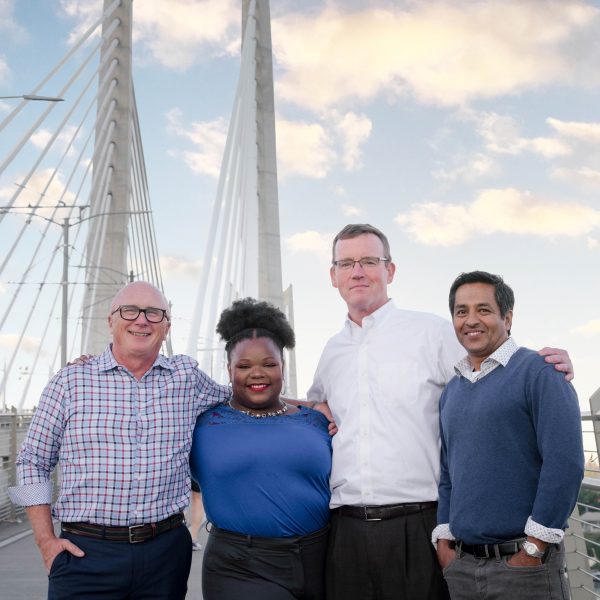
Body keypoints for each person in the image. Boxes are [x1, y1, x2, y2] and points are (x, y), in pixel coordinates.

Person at [307, 224, 575, 600]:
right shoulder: (330, 352)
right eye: (346, 263)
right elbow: (316, 403)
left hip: (419, 526)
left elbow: (493, 363)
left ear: (390, 270)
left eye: (369, 261)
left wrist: (549, 364)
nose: (358, 271)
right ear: (333, 275)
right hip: (346, 529)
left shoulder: (432, 333)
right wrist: (319, 407)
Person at [8, 281, 230, 599]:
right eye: (130, 311)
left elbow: (247, 396)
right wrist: (46, 541)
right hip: (84, 556)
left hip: (165, 555)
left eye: (154, 313)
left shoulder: (187, 379)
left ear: (166, 326)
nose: (141, 320)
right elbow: (33, 460)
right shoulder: (71, 382)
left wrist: (317, 408)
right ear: (111, 321)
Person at [433, 271, 583, 599]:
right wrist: (443, 539)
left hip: (525, 569)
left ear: (507, 317)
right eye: (462, 311)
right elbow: (448, 473)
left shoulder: (540, 372)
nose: (471, 320)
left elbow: (565, 464)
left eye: (483, 310)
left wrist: (533, 549)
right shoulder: (452, 390)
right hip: (462, 570)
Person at [190, 297, 332, 600]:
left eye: (269, 364)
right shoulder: (202, 425)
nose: (258, 373)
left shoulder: (317, 421)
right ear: (229, 370)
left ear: (283, 367)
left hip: (323, 559)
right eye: (244, 365)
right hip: (240, 566)